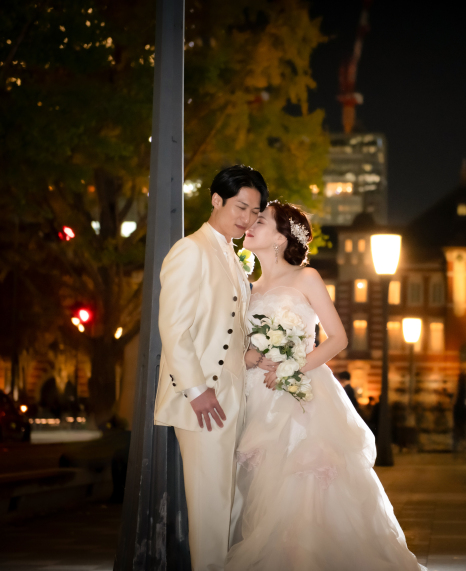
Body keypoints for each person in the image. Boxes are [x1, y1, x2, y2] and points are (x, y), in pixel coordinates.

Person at [226, 201, 423, 570]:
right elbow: (235, 342)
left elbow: (338, 338)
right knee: (256, 489)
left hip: (301, 397)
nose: (250, 225)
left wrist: (292, 369)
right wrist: (248, 356)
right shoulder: (246, 286)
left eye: (261, 221)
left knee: (304, 487)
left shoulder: (306, 278)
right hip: (254, 397)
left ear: (281, 238)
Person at [152, 165, 269, 571]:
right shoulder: (191, 249)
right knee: (210, 505)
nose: (246, 218)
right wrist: (197, 389)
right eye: (240, 207)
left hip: (234, 396)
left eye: (254, 212)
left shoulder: (235, 257)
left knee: (231, 502)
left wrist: (249, 356)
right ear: (216, 200)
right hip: (204, 399)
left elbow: (227, 328)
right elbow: (173, 327)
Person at [452, 373, 466, 452]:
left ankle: (458, 444)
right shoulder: (464, 390)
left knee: (459, 429)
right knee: (461, 429)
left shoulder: (461, 389)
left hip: (459, 412)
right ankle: (460, 444)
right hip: (461, 413)